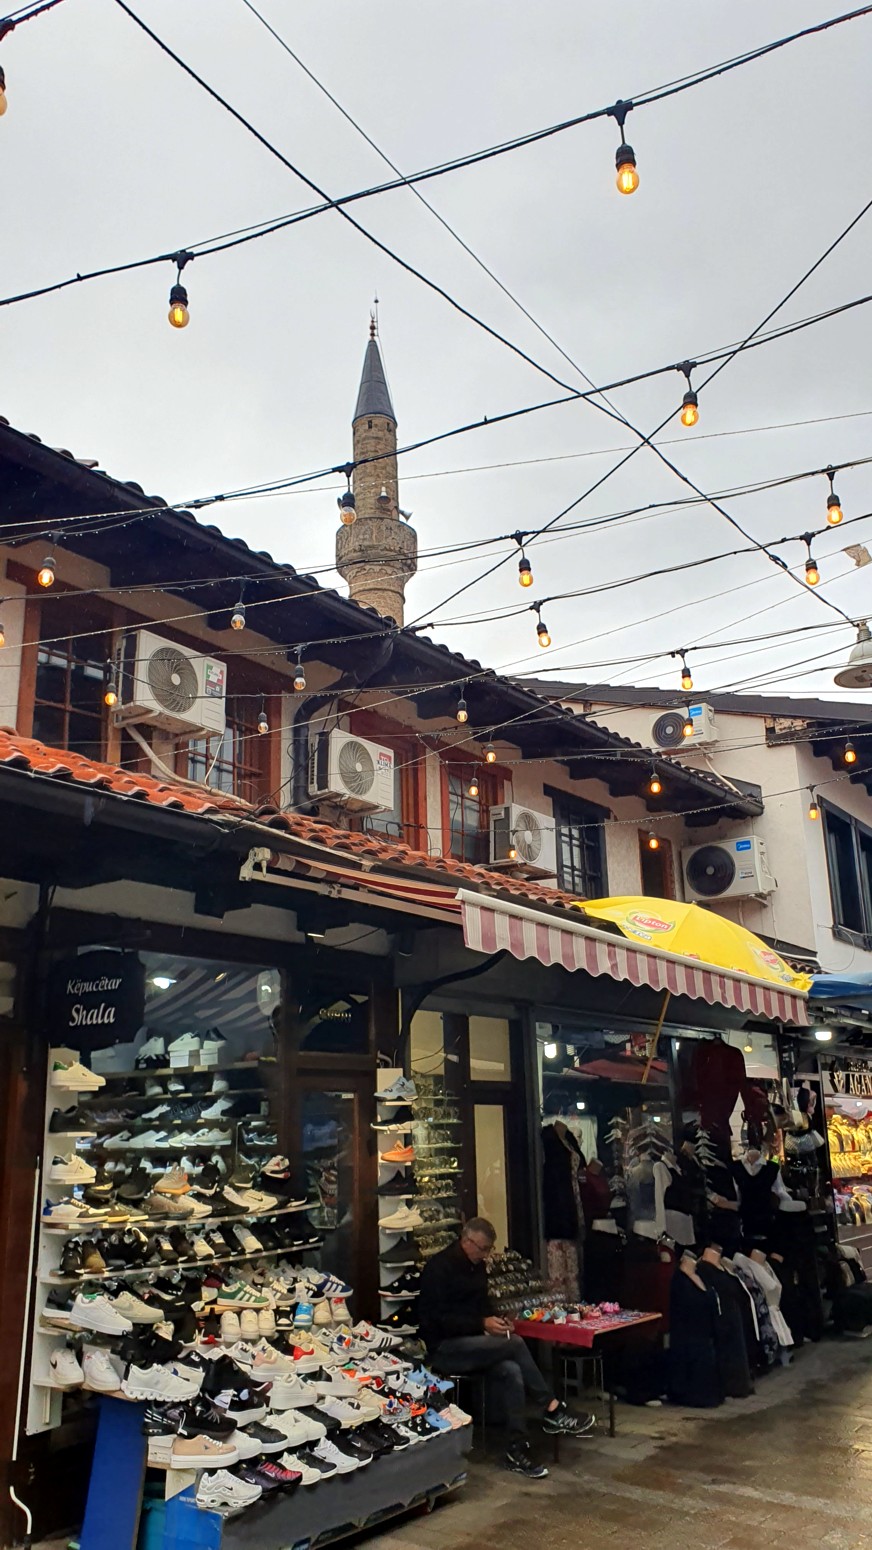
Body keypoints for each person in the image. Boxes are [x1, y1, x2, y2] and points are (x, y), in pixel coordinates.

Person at [417, 1217, 594, 1478]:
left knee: (511, 1369)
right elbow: (435, 1321)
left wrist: (496, 1320)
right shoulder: (439, 1269)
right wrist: (481, 1323)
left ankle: (516, 1447)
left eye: (488, 1249)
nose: (485, 1254)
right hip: (445, 1348)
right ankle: (552, 1407)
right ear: (466, 1241)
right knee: (515, 1343)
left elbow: (482, 1305)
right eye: (482, 1248)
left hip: (472, 1343)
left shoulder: (478, 1266)